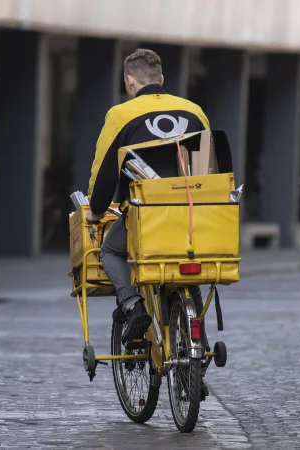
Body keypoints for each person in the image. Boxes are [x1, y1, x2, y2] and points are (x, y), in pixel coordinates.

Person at [86, 48, 211, 344]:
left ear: (130, 82)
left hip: (145, 218)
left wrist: (95, 210)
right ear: (162, 79)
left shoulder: (120, 115)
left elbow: (105, 172)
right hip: (191, 218)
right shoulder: (194, 111)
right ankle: (200, 343)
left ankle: (133, 305)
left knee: (110, 250)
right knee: (186, 263)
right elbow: (208, 169)